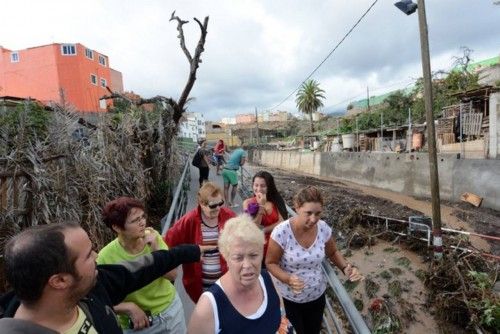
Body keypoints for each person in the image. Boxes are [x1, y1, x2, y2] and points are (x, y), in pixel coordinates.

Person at [0, 222, 209, 334]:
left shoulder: (90, 292)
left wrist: (189, 251)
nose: (97, 256)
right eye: (88, 254)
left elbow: (142, 267)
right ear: (60, 281)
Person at [266, 186, 363, 334]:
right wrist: (288, 278)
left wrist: (346, 267)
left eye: (318, 214)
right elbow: (270, 263)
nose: (313, 219)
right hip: (290, 300)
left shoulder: (323, 228)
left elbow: (333, 252)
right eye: (308, 213)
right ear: (297, 207)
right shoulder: (281, 232)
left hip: (317, 296)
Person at [188, 215, 291, 334]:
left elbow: (283, 323)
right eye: (238, 258)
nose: (247, 265)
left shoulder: (270, 280)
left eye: (253, 255)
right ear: (226, 257)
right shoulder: (208, 307)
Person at [97, 197, 185, 333]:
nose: (142, 223)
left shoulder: (153, 237)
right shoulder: (106, 257)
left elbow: (173, 276)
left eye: (142, 217)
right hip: (140, 325)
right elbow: (98, 299)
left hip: (171, 312)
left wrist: (156, 249)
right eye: (135, 220)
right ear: (116, 227)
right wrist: (128, 307)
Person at [165, 182, 236, 303]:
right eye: (213, 205)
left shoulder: (229, 216)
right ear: (202, 204)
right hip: (200, 287)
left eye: (221, 203)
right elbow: (168, 241)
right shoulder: (189, 220)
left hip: (228, 283)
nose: (218, 208)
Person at [243, 171, 288, 259]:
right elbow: (252, 227)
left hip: (276, 245)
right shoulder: (247, 203)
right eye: (256, 185)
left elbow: (282, 221)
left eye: (263, 186)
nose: (259, 189)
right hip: (257, 248)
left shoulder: (276, 201)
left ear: (269, 187)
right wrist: (261, 206)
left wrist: (263, 230)